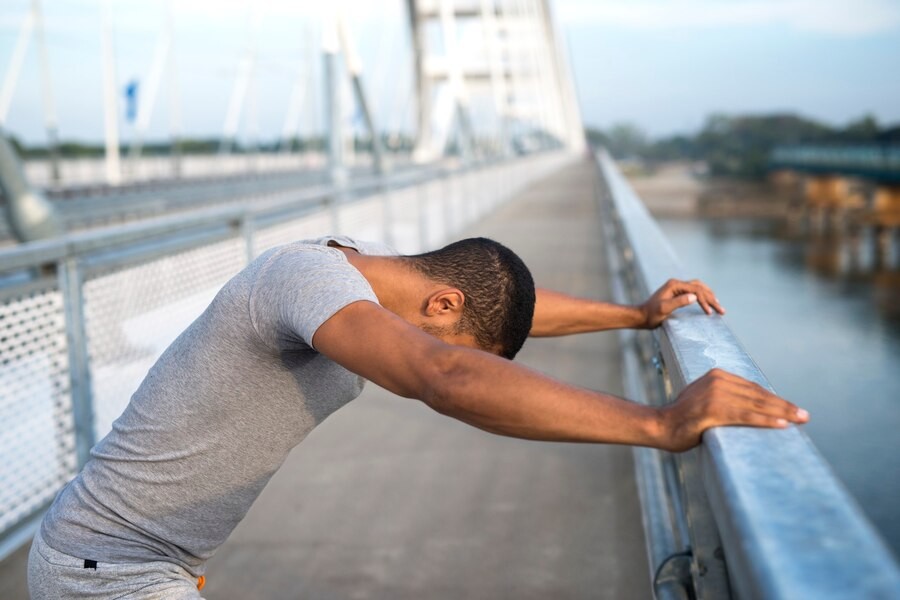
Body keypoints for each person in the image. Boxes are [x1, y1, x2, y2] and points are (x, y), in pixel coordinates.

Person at [27, 235, 808, 599]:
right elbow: (444, 371)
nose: (423, 338)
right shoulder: (305, 279)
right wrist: (658, 424)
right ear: (439, 300)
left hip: (143, 563)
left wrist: (634, 316)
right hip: (107, 570)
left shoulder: (367, 273)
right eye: (445, 326)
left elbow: (493, 317)